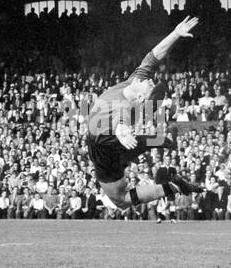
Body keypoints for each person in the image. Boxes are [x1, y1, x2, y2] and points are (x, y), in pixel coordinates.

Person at [84, 17, 205, 211]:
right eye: (150, 82)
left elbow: (120, 120)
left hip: (106, 147)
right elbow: (153, 56)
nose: (151, 80)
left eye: (151, 86)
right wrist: (175, 34)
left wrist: (122, 130)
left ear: (141, 98)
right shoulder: (136, 80)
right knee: (143, 143)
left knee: (121, 200)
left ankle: (158, 154)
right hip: (111, 141)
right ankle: (161, 157)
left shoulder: (124, 104)